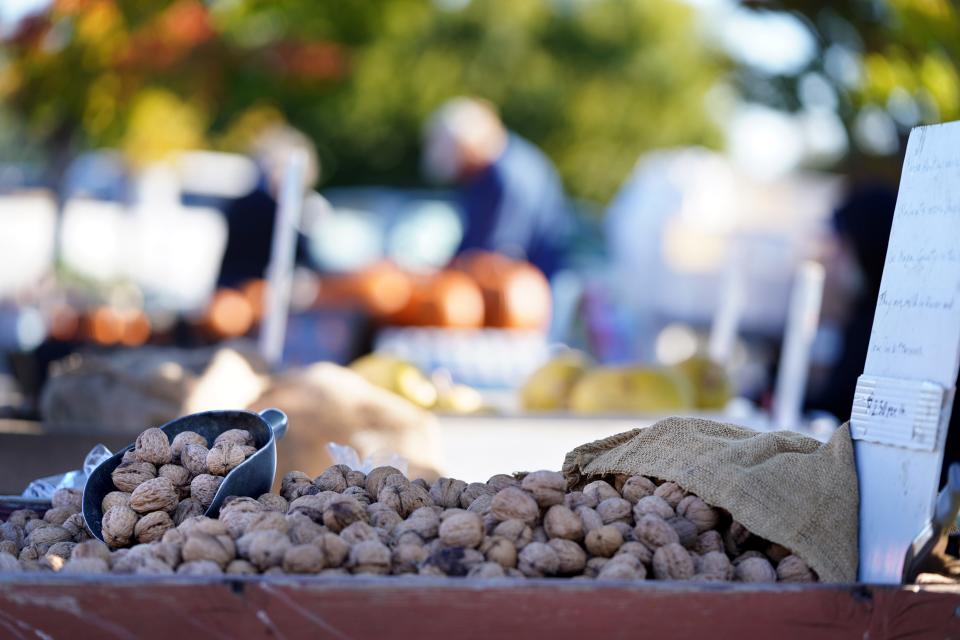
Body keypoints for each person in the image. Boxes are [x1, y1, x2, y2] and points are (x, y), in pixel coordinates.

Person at [422, 98, 572, 278]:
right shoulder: (494, 170)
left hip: (528, 289)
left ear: (467, 147)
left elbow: (497, 256)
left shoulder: (509, 175)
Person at [218, 126, 320, 287]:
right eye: (275, 167)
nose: (279, 175)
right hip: (246, 291)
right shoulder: (248, 208)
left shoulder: (313, 207)